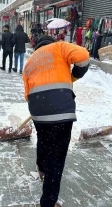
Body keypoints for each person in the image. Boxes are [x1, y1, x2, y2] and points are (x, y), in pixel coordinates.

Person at [22, 36, 90, 207]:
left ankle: (42, 169)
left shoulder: (30, 62)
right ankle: (48, 201)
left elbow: (26, 94)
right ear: (50, 43)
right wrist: (75, 75)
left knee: (44, 140)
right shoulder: (58, 47)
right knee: (57, 157)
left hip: (37, 109)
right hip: (60, 109)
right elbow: (83, 55)